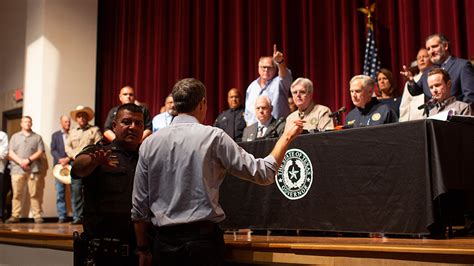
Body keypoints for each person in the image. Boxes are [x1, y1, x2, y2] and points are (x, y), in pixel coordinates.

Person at [131, 78, 303, 266]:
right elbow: (263, 173)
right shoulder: (213, 137)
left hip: (162, 245)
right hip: (202, 245)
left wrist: (142, 249)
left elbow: (139, 207)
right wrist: (286, 136)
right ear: (202, 103)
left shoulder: (149, 144)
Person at [71, 103, 144, 265]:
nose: (133, 127)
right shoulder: (99, 151)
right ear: (114, 126)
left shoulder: (148, 156)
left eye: (138, 123)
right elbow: (78, 168)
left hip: (138, 251)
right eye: (126, 122)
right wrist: (93, 162)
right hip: (103, 253)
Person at [400, 33, 474, 104]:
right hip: (432, 115)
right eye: (428, 49)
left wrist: (457, 113)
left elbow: (470, 96)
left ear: (445, 46)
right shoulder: (428, 71)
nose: (431, 51)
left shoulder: (462, 65)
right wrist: (411, 81)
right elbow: (415, 91)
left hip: (455, 114)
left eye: (434, 46)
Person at [66, 105, 102, 224]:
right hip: (75, 164)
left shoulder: (94, 130)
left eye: (84, 116)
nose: (82, 118)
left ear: (88, 118)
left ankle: (91, 217)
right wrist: (74, 156)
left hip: (90, 164)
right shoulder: (72, 132)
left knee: (91, 191)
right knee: (76, 191)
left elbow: (99, 144)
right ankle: (78, 217)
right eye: (79, 116)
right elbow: (67, 147)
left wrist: (88, 157)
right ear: (76, 119)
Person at [6, 116, 45, 224]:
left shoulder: (37, 137)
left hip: (33, 170)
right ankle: (15, 215)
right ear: (21, 124)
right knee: (16, 194)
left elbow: (40, 151)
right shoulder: (15, 137)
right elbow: (10, 152)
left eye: (29, 122)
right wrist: (20, 162)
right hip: (17, 170)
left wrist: (28, 160)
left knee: (35, 194)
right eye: (25, 122)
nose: (27, 123)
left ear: (31, 123)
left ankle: (37, 216)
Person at [244, 44, 292, 125]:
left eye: (269, 67)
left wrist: (280, 62)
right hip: (256, 132)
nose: (266, 70)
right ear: (258, 68)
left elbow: (284, 76)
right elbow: (248, 114)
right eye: (263, 67)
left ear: (275, 69)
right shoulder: (252, 87)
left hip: (277, 129)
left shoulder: (279, 83)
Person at [399, 48, 432, 121]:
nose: (421, 60)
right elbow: (405, 105)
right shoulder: (411, 81)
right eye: (419, 58)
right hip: (414, 121)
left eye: (424, 57)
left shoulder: (435, 78)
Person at [51, 115, 71, 223]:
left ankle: (77, 217)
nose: (68, 124)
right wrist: (61, 159)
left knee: (75, 193)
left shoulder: (74, 133)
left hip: (71, 165)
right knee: (60, 193)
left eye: (69, 122)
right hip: (59, 167)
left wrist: (68, 159)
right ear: (61, 123)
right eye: (65, 122)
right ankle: (62, 216)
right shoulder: (55, 135)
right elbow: (53, 150)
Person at [0, 130, 9, 222]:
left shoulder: (2, 135)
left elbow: (4, 153)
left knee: (0, 194)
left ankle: (0, 216)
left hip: (0, 169)